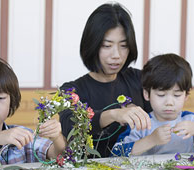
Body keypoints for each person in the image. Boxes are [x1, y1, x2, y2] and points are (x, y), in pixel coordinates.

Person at [59, 2, 152, 158]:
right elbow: (70, 126)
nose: (116, 55)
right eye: (107, 46)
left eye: (123, 46)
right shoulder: (72, 90)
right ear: (92, 45)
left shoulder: (139, 79)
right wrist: (114, 115)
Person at [112, 53, 194, 156]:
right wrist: (151, 140)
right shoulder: (141, 123)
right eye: (161, 95)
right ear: (147, 94)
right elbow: (116, 153)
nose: (169, 103)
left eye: (177, 95)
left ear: (186, 95)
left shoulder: (191, 120)